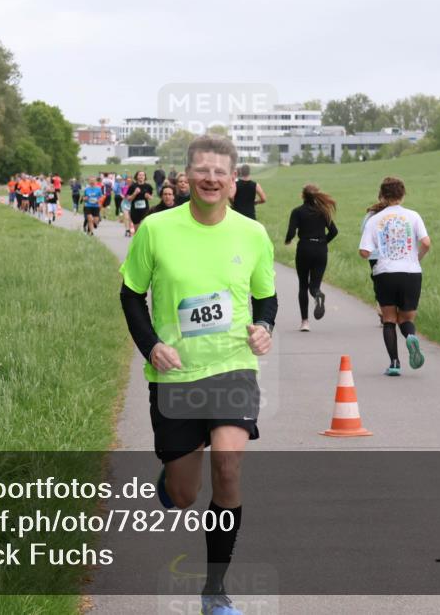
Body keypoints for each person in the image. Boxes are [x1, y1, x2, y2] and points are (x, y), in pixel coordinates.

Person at [119, 134, 276, 615]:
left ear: (233, 182)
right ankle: (172, 480)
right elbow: (131, 294)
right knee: (185, 494)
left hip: (232, 367)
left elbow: (266, 297)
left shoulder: (252, 234)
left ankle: (215, 591)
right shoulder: (156, 229)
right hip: (175, 375)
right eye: (202, 170)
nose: (211, 178)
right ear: (187, 176)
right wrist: (152, 345)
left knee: (228, 466)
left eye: (219, 172)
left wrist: (264, 328)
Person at [358, 176, 431, 376]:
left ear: (382, 195)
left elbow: (364, 252)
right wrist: (416, 258)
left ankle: (394, 364)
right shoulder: (413, 216)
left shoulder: (374, 219)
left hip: (385, 273)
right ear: (403, 195)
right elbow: (426, 242)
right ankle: (410, 337)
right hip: (411, 272)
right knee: (406, 319)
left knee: (389, 319)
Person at [285, 184, 338, 332]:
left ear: (302, 196)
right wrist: (323, 242)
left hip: (304, 249)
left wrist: (287, 240)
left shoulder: (297, 212)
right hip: (320, 250)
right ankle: (318, 295)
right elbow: (334, 231)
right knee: (314, 286)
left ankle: (305, 322)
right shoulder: (323, 211)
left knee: (303, 285)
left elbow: (291, 232)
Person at [362, 196, 387, 324]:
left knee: (378, 280)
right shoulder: (394, 213)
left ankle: (381, 306)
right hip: (390, 253)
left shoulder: (370, 215)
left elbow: (363, 230)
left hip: (374, 254)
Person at [125, 170, 153, 235]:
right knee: (137, 232)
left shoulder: (148, 186)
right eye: (140, 175)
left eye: (143, 175)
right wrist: (134, 193)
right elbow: (128, 199)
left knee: (144, 230)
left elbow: (151, 197)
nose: (141, 176)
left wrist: (148, 196)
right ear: (137, 177)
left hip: (145, 210)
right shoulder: (132, 186)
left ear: (145, 177)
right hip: (135, 211)